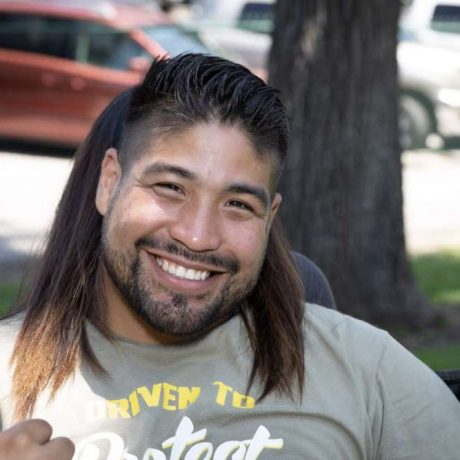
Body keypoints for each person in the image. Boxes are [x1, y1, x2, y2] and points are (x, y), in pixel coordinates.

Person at [0, 54, 458, 460]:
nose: (198, 237)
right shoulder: (8, 375)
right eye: (170, 188)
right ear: (108, 182)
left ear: (269, 217)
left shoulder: (364, 368)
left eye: (238, 204)